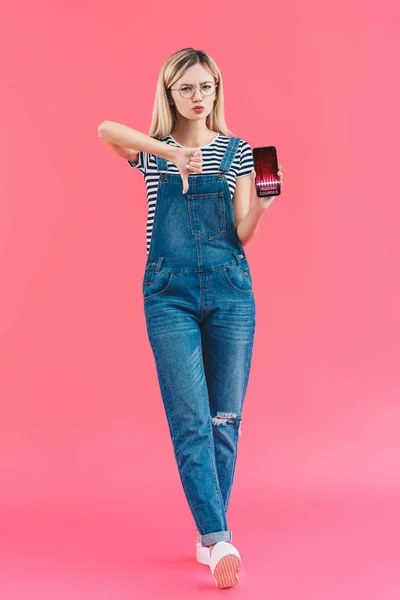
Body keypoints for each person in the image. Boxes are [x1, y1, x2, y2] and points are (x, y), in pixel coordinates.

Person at [98, 47, 283, 590]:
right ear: (170, 93)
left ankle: (211, 538)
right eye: (186, 88)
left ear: (216, 91)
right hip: (168, 293)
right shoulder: (154, 153)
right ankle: (219, 537)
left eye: (206, 87)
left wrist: (264, 207)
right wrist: (168, 152)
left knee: (224, 420)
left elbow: (242, 231)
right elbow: (105, 129)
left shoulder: (239, 152)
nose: (198, 97)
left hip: (231, 290)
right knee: (189, 420)